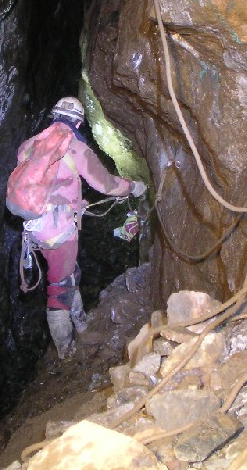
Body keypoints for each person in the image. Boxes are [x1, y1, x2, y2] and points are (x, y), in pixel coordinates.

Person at [17, 96, 146, 359]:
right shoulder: (73, 147)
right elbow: (105, 184)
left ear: (54, 116)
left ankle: (82, 325)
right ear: (78, 121)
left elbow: (42, 185)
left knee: (69, 272)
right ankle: (66, 349)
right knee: (61, 284)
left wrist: (74, 202)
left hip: (35, 227)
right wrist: (133, 187)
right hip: (58, 229)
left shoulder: (31, 145)